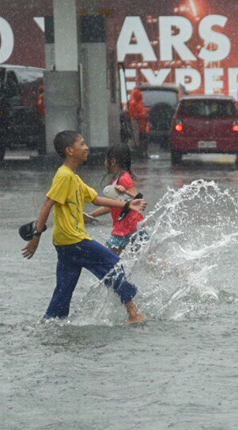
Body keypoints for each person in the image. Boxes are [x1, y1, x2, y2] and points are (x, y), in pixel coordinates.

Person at [21, 131, 148, 324]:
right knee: (114, 265)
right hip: (74, 240)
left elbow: (96, 199)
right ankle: (133, 313)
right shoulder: (64, 176)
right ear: (70, 151)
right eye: (82, 144)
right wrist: (36, 236)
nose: (87, 147)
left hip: (65, 244)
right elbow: (48, 204)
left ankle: (50, 323)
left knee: (64, 290)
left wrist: (127, 205)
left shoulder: (73, 177)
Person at [87, 145, 147, 255]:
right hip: (131, 227)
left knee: (106, 258)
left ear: (112, 161)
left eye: (106, 159)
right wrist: (91, 216)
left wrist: (126, 192)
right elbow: (114, 205)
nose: (104, 162)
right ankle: (175, 271)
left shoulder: (124, 179)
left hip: (127, 228)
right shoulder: (117, 179)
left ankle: (175, 271)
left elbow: (138, 200)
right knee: (149, 259)